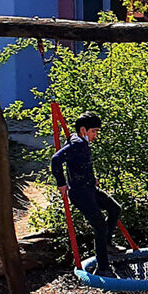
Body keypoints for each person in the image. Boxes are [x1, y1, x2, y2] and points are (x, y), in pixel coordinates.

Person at [51, 112, 121, 276]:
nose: (95, 135)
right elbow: (56, 159)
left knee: (114, 208)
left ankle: (107, 243)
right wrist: (61, 183)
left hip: (89, 188)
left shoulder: (80, 141)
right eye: (93, 131)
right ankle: (103, 267)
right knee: (100, 226)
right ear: (83, 130)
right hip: (80, 193)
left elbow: (80, 164)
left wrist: (92, 177)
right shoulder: (77, 144)